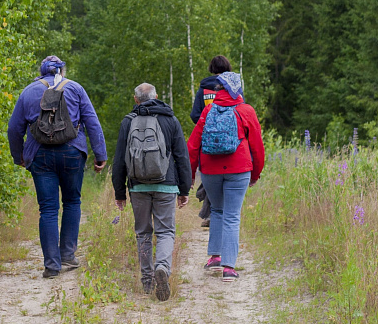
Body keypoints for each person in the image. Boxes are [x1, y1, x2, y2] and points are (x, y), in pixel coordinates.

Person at [8, 55, 108, 278]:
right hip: (72, 152)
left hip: (40, 155)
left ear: (41, 71)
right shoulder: (76, 88)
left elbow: (14, 128)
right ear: (61, 71)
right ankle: (68, 256)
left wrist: (19, 156)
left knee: (48, 209)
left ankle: (52, 265)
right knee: (72, 201)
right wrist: (100, 154)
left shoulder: (28, 91)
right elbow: (92, 121)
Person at [112, 83, 191, 300]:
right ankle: (163, 268)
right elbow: (182, 157)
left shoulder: (128, 122)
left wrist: (120, 192)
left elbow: (119, 160)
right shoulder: (170, 120)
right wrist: (184, 189)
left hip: (138, 187)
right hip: (166, 185)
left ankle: (147, 283)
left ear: (136, 100)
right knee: (165, 231)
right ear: (156, 97)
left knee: (143, 233)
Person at [188, 71, 265, 282]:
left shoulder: (209, 110)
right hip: (238, 168)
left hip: (210, 170)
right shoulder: (246, 110)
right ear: (238, 89)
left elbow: (193, 144)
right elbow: (257, 147)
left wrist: (190, 173)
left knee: (217, 210)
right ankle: (229, 268)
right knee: (232, 215)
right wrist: (255, 173)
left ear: (218, 90)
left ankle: (214, 256)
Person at [190, 55, 233, 228]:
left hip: (207, 142)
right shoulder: (232, 89)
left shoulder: (203, 90)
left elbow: (195, 115)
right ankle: (223, 215)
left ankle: (211, 213)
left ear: (211, 68)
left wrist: (206, 124)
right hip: (231, 142)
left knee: (211, 176)